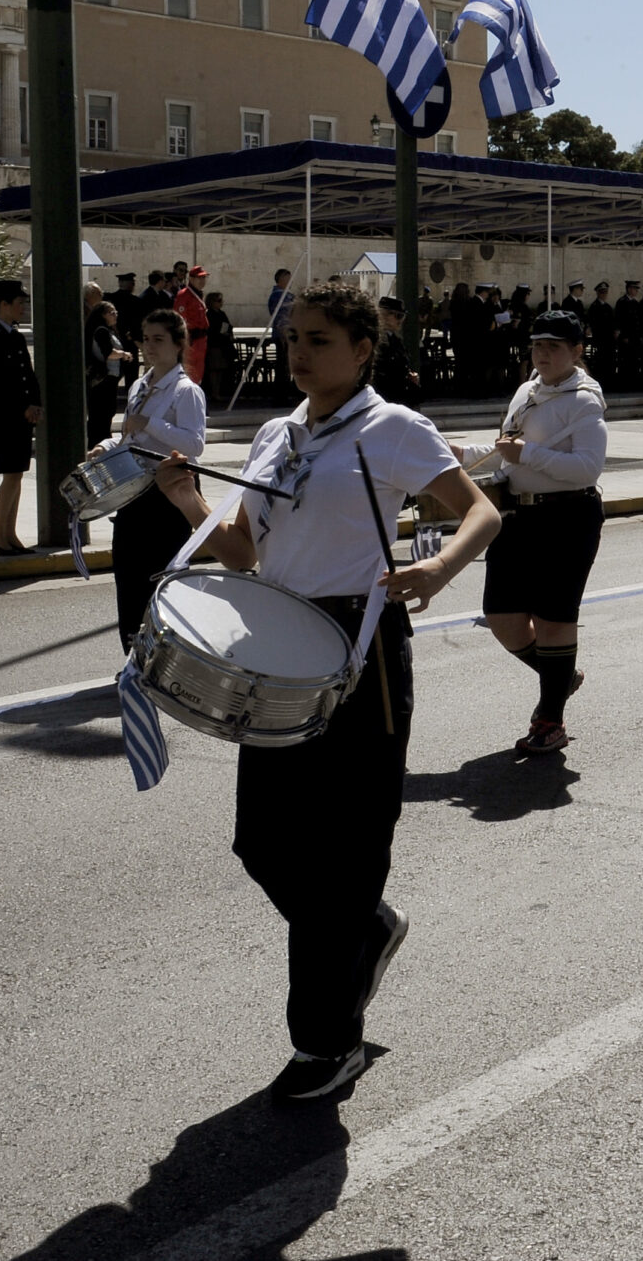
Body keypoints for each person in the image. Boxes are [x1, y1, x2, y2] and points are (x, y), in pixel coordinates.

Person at [152, 284, 500, 1105]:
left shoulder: (394, 428)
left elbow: (481, 511)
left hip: (363, 651)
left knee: (342, 855)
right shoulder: (276, 432)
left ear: (362, 348)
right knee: (264, 842)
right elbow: (242, 549)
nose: (299, 353)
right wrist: (185, 499)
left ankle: (325, 1040)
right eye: (291, 338)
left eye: (317, 339)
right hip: (278, 647)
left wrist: (439, 567)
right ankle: (365, 930)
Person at [452, 308, 606, 755]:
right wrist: (464, 452)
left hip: (568, 517)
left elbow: (587, 468)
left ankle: (549, 718)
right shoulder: (527, 390)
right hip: (518, 516)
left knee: (554, 621)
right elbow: (507, 451)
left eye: (553, 347)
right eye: (537, 345)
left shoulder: (584, 400)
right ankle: (560, 677)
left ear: (576, 352)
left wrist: (529, 455)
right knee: (502, 618)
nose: (542, 353)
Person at [91, 309, 207, 649]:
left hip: (170, 494)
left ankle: (161, 656)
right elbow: (131, 437)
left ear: (178, 344)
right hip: (135, 491)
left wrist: (151, 424)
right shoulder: (140, 385)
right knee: (127, 576)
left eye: (159, 339)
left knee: (160, 577)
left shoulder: (186, 390)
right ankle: (132, 655)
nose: (149, 346)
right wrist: (105, 444)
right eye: (146, 339)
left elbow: (195, 443)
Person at [0, 279, 42, 556]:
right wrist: (22, 406)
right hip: (3, 415)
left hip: (22, 415)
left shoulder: (13, 335)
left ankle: (9, 534)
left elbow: (27, 373)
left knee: (16, 475)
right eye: (19, 302)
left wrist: (35, 403)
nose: (23, 307)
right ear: (3, 305)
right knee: (10, 476)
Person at [84, 283, 129, 446]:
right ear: (102, 315)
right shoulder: (101, 331)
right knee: (100, 414)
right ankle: (97, 444)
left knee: (107, 412)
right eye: (112, 312)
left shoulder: (108, 330)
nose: (115, 315)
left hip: (110, 379)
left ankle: (101, 441)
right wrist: (124, 355)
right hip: (102, 379)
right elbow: (108, 353)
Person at [370, 296, 421, 407]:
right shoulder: (375, 340)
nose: (400, 321)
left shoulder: (395, 340)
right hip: (384, 399)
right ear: (384, 315)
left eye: (402, 317)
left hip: (399, 399)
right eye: (398, 316)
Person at [176, 266, 212, 385]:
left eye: (204, 278)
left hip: (201, 340)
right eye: (199, 278)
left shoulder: (198, 294)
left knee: (198, 372)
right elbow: (179, 318)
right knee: (189, 372)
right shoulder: (184, 295)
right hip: (191, 339)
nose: (202, 281)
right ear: (191, 279)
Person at [205, 292, 239, 405]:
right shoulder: (209, 314)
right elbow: (211, 329)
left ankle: (218, 391)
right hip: (214, 344)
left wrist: (227, 333)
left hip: (223, 344)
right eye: (218, 300)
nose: (221, 303)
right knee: (214, 369)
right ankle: (214, 392)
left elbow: (228, 325)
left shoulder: (221, 313)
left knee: (221, 369)